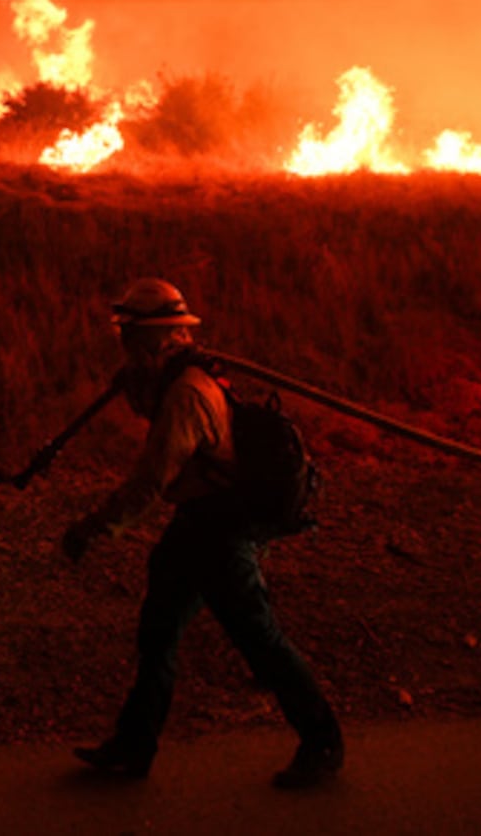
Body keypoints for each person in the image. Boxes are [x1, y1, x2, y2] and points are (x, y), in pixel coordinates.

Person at [62, 278, 344, 789]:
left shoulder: (189, 394)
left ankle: (322, 741)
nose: (125, 342)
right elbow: (153, 420)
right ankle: (134, 744)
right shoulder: (173, 380)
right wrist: (136, 383)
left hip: (219, 530)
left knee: (258, 639)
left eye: (132, 334)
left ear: (161, 335)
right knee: (158, 632)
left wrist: (93, 527)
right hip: (195, 524)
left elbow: (151, 482)